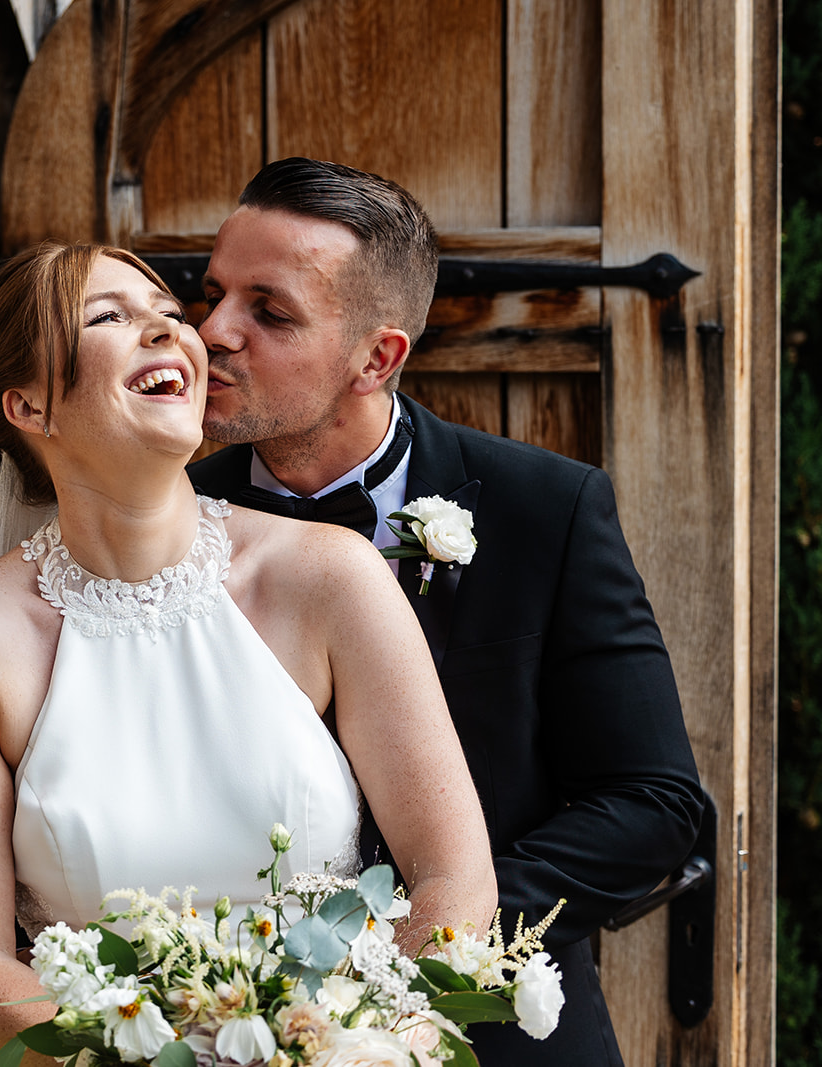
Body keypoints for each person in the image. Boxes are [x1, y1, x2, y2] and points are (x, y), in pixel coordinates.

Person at [0, 241, 496, 1065]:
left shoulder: (329, 577)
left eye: (171, 315)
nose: (173, 333)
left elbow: (451, 871)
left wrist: (374, 1036)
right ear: (29, 408)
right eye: (109, 316)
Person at [187, 157, 706, 1067]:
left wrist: (420, 935)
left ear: (377, 356)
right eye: (213, 292)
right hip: (225, 1029)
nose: (213, 332)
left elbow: (654, 802)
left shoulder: (546, 507)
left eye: (269, 311)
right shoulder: (166, 521)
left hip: (496, 1036)